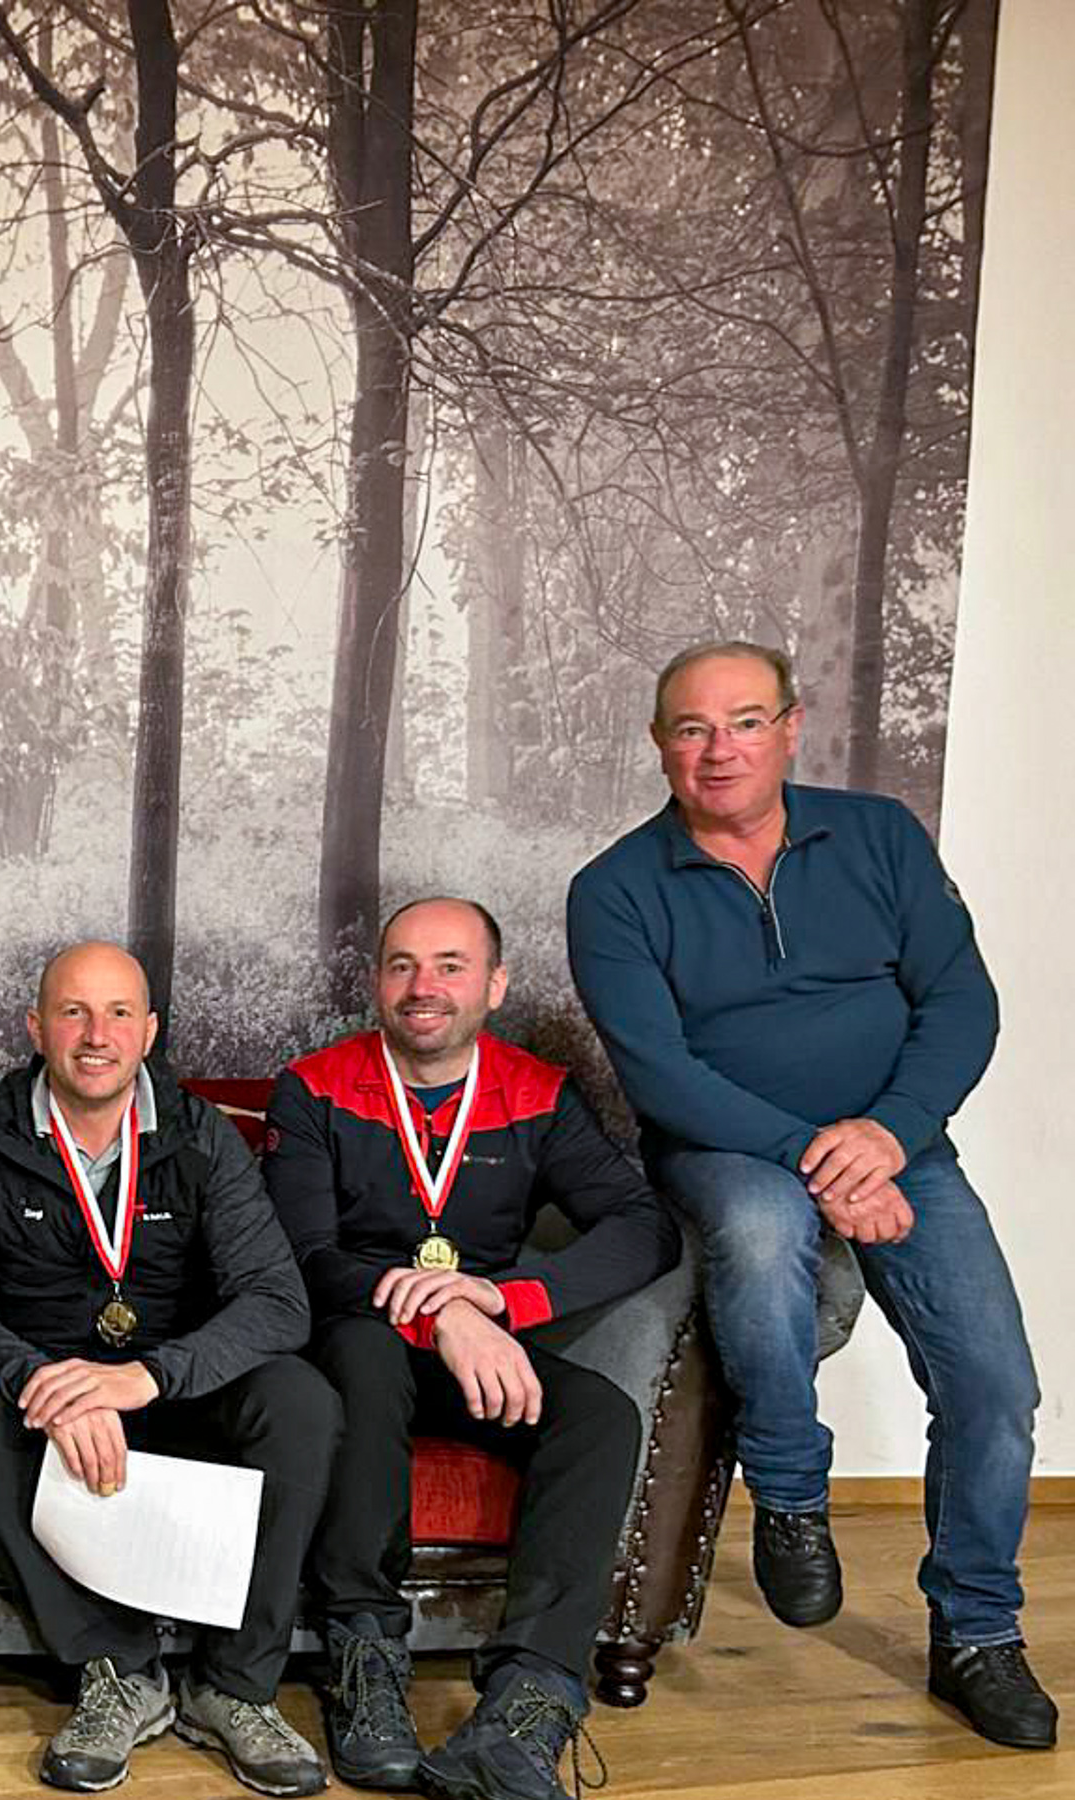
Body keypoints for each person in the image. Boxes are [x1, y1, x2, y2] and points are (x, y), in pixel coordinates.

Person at [567, 640, 1055, 1750]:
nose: (720, 749)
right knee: (756, 1223)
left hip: (899, 1144)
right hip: (726, 1146)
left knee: (995, 1386)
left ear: (791, 728)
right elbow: (660, 1074)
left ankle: (978, 1632)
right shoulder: (614, 889)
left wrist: (886, 1134)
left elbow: (962, 1002)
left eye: (745, 722)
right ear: (659, 746)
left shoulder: (878, 835)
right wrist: (815, 1154)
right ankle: (790, 1486)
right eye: (693, 729)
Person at [266, 898, 678, 1800]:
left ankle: (528, 1704)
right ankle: (363, 1652)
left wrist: (499, 1298)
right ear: (376, 984)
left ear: (494, 985)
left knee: (601, 1414)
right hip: (351, 1339)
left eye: (450, 966)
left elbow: (644, 1227)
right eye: (403, 965)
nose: (424, 987)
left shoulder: (538, 1093)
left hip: (481, 1351)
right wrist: (437, 1316)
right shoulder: (315, 1087)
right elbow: (303, 1256)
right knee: (365, 1356)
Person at [0, 940, 340, 1797]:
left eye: (117, 1014)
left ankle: (234, 1686)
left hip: (174, 1387)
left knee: (302, 1399)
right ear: (36, 1027)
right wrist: (40, 1381)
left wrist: (148, 1377)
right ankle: (117, 1671)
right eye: (72, 1012)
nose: (95, 1035)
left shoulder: (200, 1133)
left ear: (148, 1032)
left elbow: (276, 1301)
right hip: (46, 1397)